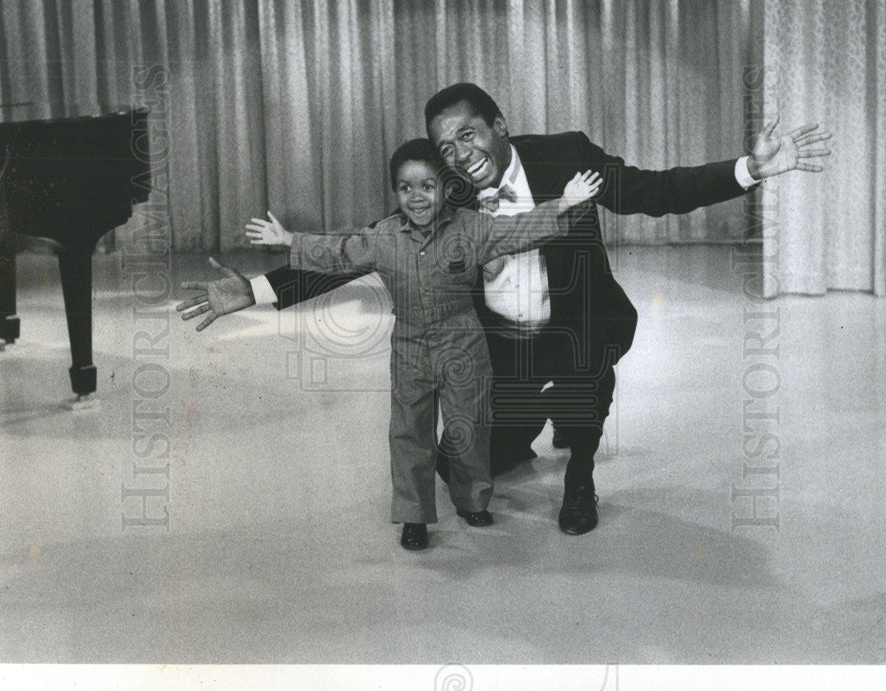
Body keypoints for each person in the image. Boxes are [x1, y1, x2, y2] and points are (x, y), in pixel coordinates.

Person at [178, 83, 831, 537]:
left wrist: (749, 168)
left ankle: (580, 473)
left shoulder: (566, 158)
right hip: (499, 343)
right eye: (447, 146)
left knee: (583, 383)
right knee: (480, 457)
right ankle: (520, 429)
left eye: (470, 136)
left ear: (501, 128)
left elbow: (653, 191)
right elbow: (364, 249)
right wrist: (258, 292)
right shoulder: (448, 194)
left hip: (578, 324)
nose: (461, 155)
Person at [223, 138, 602, 550]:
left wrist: (563, 203)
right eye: (406, 188)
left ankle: (472, 499)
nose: (417, 197)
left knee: (469, 427)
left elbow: (517, 231)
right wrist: (290, 240)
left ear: (446, 188)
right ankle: (413, 516)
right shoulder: (384, 237)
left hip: (464, 343)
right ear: (395, 192)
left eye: (427, 186)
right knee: (409, 433)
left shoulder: (472, 228)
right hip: (410, 347)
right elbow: (341, 252)